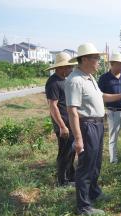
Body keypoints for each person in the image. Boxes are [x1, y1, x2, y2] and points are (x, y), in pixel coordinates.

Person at [65, 43, 121, 216]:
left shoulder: (89, 77)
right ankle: (83, 207)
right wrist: (79, 139)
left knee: (95, 163)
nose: (99, 61)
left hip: (96, 124)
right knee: (85, 167)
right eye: (96, 58)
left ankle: (93, 192)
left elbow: (102, 97)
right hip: (86, 125)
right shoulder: (75, 80)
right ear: (86, 59)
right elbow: (72, 111)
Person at [44, 52, 77, 187]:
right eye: (69, 67)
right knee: (64, 153)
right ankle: (62, 181)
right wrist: (62, 126)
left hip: (70, 123)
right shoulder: (53, 83)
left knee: (71, 151)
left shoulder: (64, 80)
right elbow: (53, 106)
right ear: (62, 67)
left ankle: (70, 176)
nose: (71, 69)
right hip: (63, 124)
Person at [98, 53, 121, 163]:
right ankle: (113, 161)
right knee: (113, 138)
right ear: (112, 64)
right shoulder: (104, 79)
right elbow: (100, 96)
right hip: (113, 112)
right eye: (120, 64)